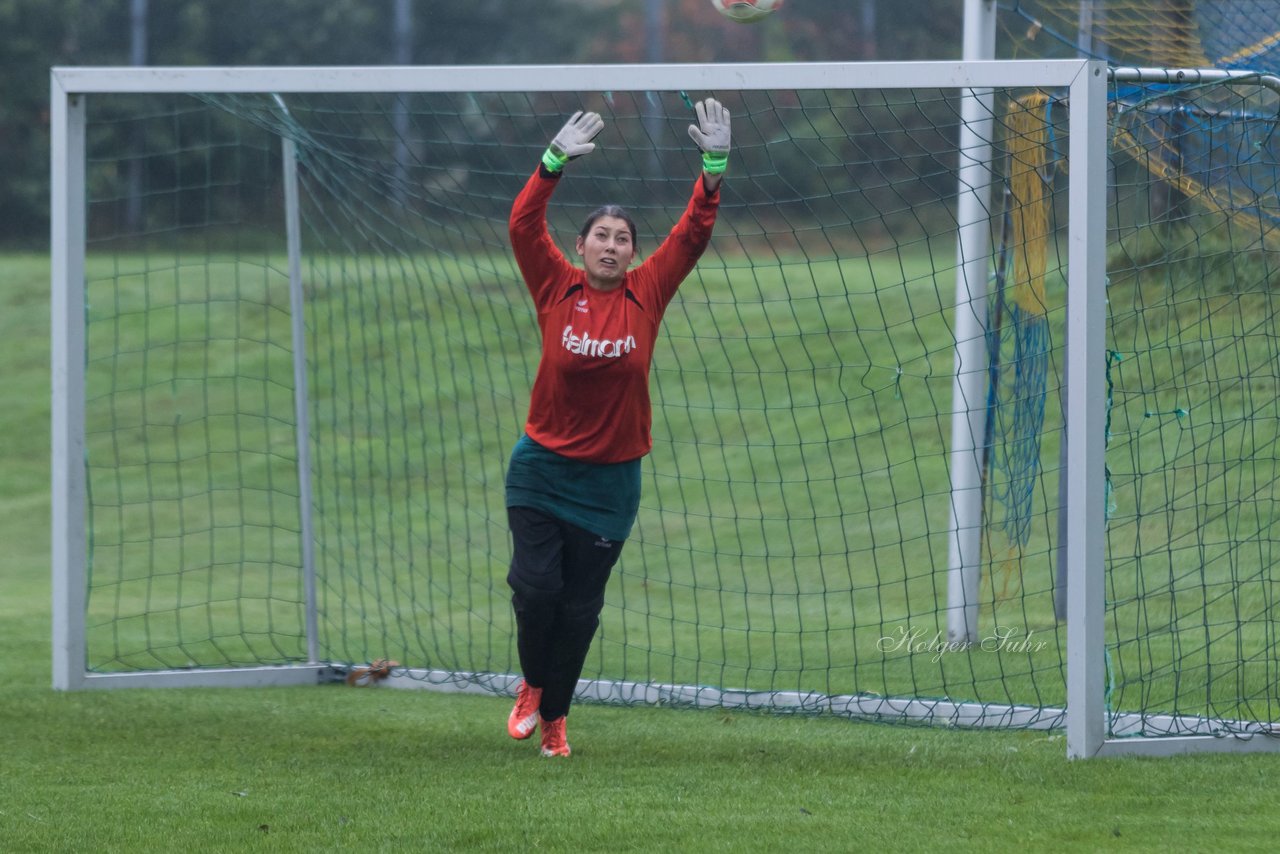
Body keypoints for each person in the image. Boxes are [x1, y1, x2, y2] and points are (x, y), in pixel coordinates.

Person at [503, 98, 731, 757]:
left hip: (611, 481)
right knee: (535, 588)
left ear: (634, 253)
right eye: (600, 236)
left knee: (579, 609)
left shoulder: (649, 290)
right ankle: (533, 684)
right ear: (580, 247)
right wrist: (552, 162)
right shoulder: (555, 285)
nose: (610, 245)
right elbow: (522, 224)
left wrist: (712, 167)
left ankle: (555, 721)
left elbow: (692, 232)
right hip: (541, 468)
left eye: (622, 238)